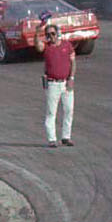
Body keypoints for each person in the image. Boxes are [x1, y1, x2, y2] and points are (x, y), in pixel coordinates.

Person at [33, 20, 77, 148]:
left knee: (69, 110)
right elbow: (38, 46)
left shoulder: (67, 45)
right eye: (48, 35)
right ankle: (52, 139)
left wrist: (71, 78)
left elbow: (73, 62)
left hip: (66, 83)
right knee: (51, 112)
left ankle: (66, 137)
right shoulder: (46, 47)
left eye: (52, 34)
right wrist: (37, 32)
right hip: (52, 84)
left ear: (57, 34)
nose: (50, 37)